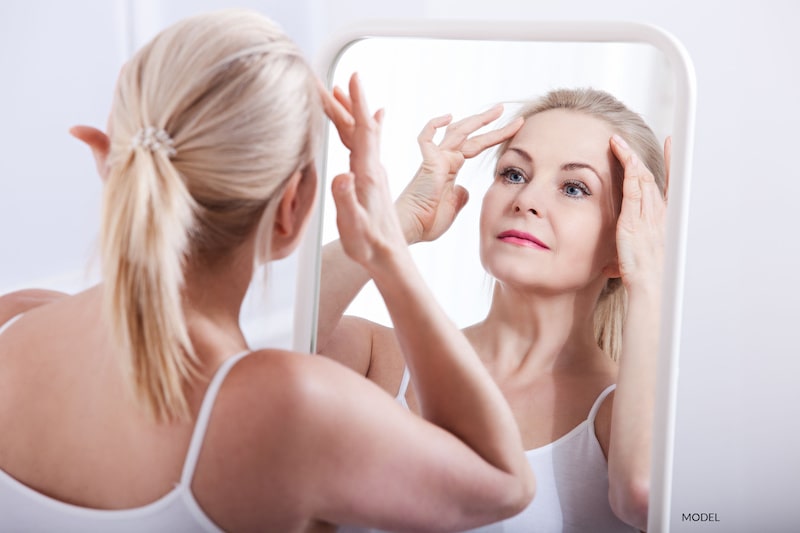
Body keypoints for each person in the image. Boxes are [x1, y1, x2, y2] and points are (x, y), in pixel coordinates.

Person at [0, 9, 537, 532]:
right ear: (294, 208)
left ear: (103, 158)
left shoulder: (15, 318)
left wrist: (398, 224)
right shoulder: (288, 407)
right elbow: (503, 484)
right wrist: (386, 249)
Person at [318, 87, 669, 532]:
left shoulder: (619, 417)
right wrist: (393, 225)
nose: (525, 200)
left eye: (574, 187)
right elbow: (255, 356)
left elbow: (644, 496)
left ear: (624, 242)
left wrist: (652, 277)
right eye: (514, 174)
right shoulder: (378, 358)